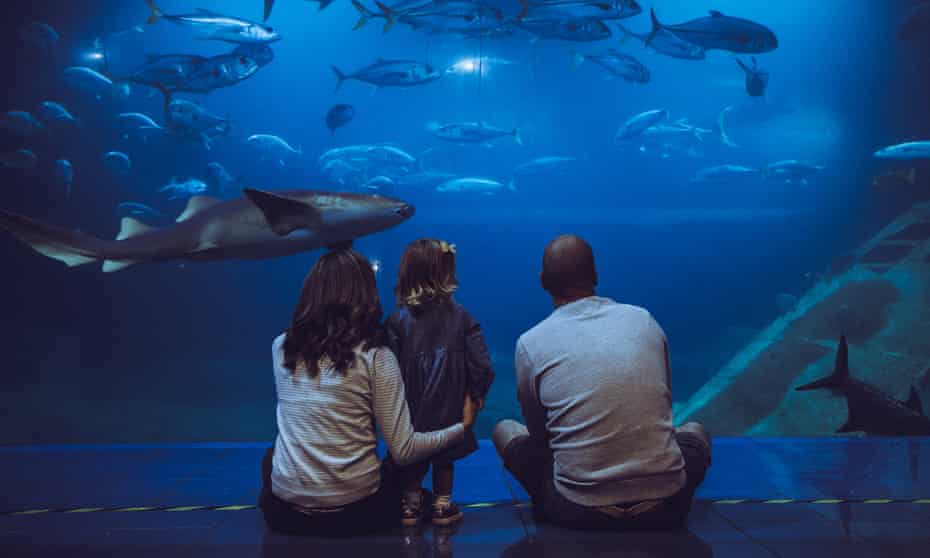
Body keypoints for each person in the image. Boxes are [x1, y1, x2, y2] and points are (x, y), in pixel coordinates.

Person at [492, 235, 712, 530]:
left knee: (504, 429)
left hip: (577, 508)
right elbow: (665, 406)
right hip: (667, 503)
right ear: (595, 275)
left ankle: (549, 505)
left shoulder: (530, 343)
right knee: (695, 430)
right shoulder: (643, 319)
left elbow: (539, 436)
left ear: (543, 281)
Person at [259, 249, 477, 537]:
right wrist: (460, 428)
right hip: (357, 513)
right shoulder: (376, 355)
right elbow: (405, 450)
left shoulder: (280, 347)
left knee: (270, 456)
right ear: (365, 294)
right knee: (401, 473)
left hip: (285, 515)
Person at [386, 239, 495, 526]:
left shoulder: (397, 321)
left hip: (409, 408)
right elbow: (481, 363)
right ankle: (442, 504)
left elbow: (387, 370)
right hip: (450, 405)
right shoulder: (462, 317)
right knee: (443, 457)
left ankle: (410, 503)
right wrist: (476, 394)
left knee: (412, 456)